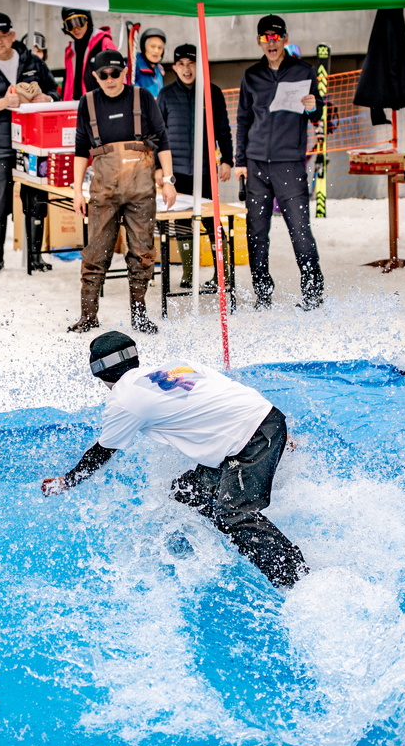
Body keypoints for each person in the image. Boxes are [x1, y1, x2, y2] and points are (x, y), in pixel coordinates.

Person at [41, 331, 307, 590]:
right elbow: (227, 391)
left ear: (99, 373)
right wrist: (278, 432)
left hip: (251, 441)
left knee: (233, 515)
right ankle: (212, 551)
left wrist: (67, 481)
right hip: (266, 421)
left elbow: (102, 451)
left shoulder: (123, 399)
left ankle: (298, 580)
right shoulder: (176, 367)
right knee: (187, 491)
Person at [68, 49, 176, 335]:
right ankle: (88, 315)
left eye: (115, 73)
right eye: (103, 75)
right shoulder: (88, 103)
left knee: (142, 253)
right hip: (103, 191)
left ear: (125, 72)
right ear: (95, 76)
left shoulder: (143, 97)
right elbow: (80, 148)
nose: (110, 79)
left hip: (141, 191)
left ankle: (139, 316)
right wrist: (77, 190)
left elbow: (162, 139)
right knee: (95, 254)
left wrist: (168, 180)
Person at [234, 15, 324, 311]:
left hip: (289, 163)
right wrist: (240, 161)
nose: (270, 43)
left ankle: (313, 293)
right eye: (265, 38)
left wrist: (313, 107)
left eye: (275, 37)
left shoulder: (303, 71)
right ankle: (262, 294)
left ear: (285, 39)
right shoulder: (251, 75)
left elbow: (317, 112)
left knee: (300, 231)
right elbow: (243, 119)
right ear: (258, 41)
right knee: (256, 234)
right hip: (256, 164)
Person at [0, 11, 58, 275]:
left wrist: (47, 99)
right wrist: (1, 103)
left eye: (4, 35)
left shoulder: (32, 62)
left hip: (33, 143)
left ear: (13, 36)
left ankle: (35, 256)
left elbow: (55, 91)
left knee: (36, 198)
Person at [158, 43, 233, 291]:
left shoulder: (212, 93)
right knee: (181, 223)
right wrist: (159, 169)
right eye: (181, 64)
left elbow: (223, 129)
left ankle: (223, 272)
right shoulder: (166, 95)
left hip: (206, 170)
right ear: (174, 67)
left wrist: (227, 160)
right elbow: (158, 135)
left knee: (212, 222)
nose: (186, 69)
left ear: (199, 66)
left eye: (191, 64)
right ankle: (189, 273)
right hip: (177, 172)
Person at [60, 7, 116, 101]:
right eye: (70, 25)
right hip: (75, 105)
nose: (75, 29)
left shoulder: (104, 43)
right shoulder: (70, 50)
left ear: (88, 21)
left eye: (79, 22)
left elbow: (118, 77)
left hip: (99, 104)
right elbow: (68, 84)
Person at [133, 28, 165, 98]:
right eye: (152, 46)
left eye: (160, 48)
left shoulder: (159, 70)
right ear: (144, 47)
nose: (156, 51)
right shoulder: (133, 66)